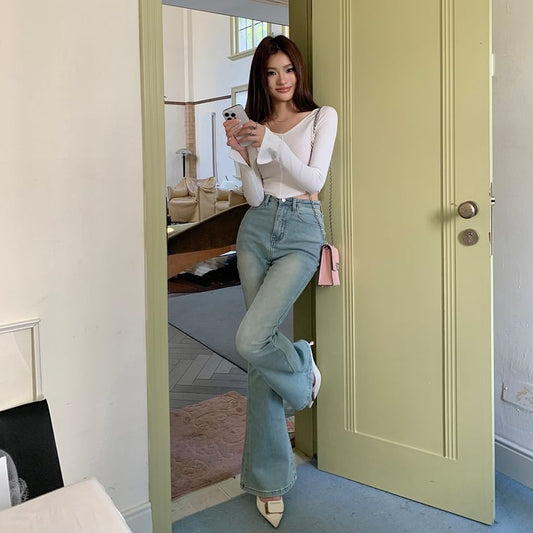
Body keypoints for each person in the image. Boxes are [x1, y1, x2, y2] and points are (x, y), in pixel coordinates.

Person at [224, 35, 337, 528]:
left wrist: (269, 143)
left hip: (302, 229)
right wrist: (242, 156)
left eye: (288, 69)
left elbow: (313, 180)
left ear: (298, 71)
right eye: (271, 72)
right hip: (256, 228)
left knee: (252, 339)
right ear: (262, 79)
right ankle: (268, 481)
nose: (282, 79)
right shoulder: (258, 126)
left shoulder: (322, 117)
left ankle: (302, 369)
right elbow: (254, 196)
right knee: (257, 359)